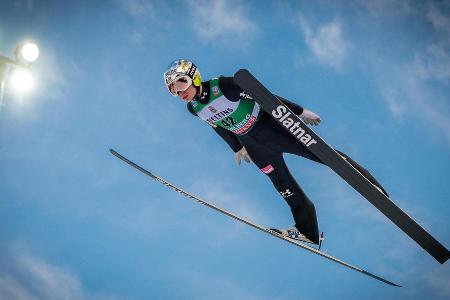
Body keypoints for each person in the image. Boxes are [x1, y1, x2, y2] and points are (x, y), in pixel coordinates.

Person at [163, 59, 388, 244]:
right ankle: (307, 232)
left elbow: (264, 95)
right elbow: (218, 127)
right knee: (284, 186)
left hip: (271, 127)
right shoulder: (194, 108)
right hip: (254, 144)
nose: (179, 91)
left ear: (194, 76)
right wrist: (237, 147)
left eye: (181, 83)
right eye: (173, 89)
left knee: (323, 154)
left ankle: (369, 183)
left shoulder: (222, 86)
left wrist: (299, 112)